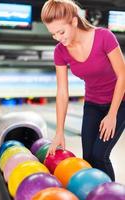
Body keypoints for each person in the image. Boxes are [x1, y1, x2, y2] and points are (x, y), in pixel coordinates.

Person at [41, 0, 125, 181]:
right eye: (53, 34)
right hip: (92, 104)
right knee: (88, 158)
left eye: (61, 31)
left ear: (73, 21)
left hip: (120, 103)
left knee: (99, 155)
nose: (58, 37)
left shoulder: (104, 36)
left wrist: (112, 114)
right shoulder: (60, 51)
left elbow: (122, 75)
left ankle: (111, 194)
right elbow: (62, 92)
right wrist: (59, 131)